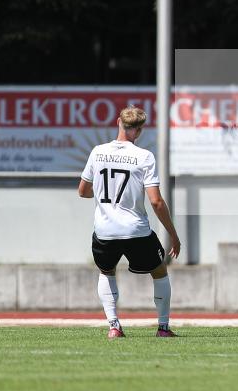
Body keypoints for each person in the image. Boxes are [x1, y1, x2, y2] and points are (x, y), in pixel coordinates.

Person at [78, 105, 182, 338]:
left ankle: (114, 326)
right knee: (159, 271)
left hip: (104, 231)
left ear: (118, 122)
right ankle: (163, 328)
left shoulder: (97, 152)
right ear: (140, 130)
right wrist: (173, 235)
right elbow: (155, 201)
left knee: (107, 272)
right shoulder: (144, 156)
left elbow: (83, 191)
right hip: (136, 230)